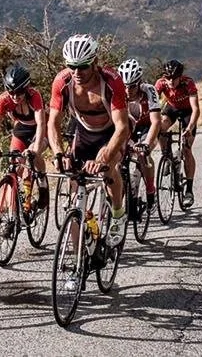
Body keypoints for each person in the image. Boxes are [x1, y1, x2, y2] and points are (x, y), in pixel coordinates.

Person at [47, 34, 130, 249]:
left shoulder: (112, 82)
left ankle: (118, 214)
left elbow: (122, 128)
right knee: (74, 190)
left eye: (82, 67)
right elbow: (53, 122)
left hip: (111, 133)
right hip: (83, 132)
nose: (76, 73)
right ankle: (76, 256)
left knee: (109, 170)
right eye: (71, 66)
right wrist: (58, 153)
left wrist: (104, 155)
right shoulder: (62, 81)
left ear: (94, 62)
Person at [0, 64, 47, 233]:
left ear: (26, 89)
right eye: (11, 92)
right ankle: (13, 215)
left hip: (39, 129)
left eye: (19, 92)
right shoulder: (4, 99)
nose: (15, 96)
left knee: (33, 157)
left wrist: (35, 148)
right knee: (14, 166)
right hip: (21, 130)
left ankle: (42, 184)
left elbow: (42, 123)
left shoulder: (34, 96)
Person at [154, 59, 200, 207]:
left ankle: (189, 190)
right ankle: (165, 154)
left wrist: (190, 127)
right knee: (160, 126)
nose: (171, 81)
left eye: (174, 78)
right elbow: (152, 105)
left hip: (187, 112)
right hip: (172, 108)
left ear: (180, 77)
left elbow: (196, 109)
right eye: (168, 78)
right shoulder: (160, 83)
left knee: (186, 148)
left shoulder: (188, 83)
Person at [117, 58, 161, 209]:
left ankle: (150, 189)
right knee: (117, 160)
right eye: (125, 86)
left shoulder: (149, 90)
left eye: (133, 86)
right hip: (127, 128)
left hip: (146, 127)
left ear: (139, 82)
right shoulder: (117, 92)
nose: (128, 90)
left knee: (144, 156)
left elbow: (156, 121)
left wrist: (146, 144)